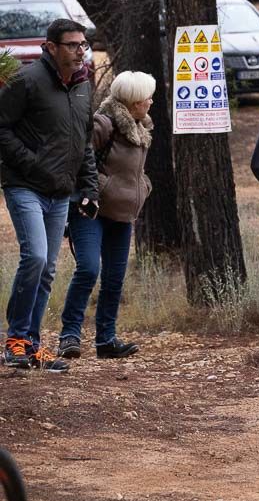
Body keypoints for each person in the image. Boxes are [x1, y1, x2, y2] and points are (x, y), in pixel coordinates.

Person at [0, 19, 96, 372]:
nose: (79, 51)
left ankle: (32, 346)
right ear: (51, 47)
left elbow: (84, 142)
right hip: (25, 186)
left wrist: (89, 187)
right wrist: (32, 164)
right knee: (36, 257)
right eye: (72, 45)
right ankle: (16, 341)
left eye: (82, 45)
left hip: (62, 192)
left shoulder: (84, 85)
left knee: (48, 269)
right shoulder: (27, 80)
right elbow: (2, 128)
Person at [56, 71, 156, 360]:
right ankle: (69, 336)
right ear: (132, 100)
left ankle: (106, 340)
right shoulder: (104, 124)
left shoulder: (142, 127)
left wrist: (143, 187)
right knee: (88, 269)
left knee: (114, 278)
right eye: (146, 96)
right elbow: (78, 159)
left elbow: (137, 172)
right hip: (91, 209)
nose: (151, 101)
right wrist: (104, 187)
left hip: (122, 214)